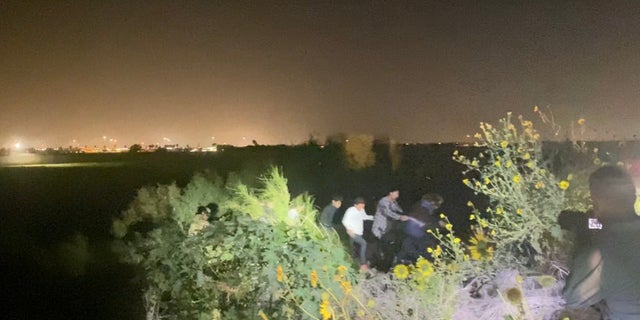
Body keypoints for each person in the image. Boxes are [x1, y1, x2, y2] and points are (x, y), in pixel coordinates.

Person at [562, 165, 640, 319]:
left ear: (597, 202)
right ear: (633, 196)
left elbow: (572, 298)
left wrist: (583, 238)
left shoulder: (601, 253)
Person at [396, 193, 444, 264]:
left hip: (411, 231)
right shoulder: (424, 207)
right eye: (438, 204)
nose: (438, 207)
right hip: (416, 231)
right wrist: (438, 224)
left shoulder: (421, 206)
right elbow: (422, 220)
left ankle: (403, 260)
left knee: (409, 247)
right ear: (433, 202)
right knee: (425, 248)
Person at [371, 188, 409, 268]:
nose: (397, 196)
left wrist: (405, 214)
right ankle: (377, 265)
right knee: (380, 247)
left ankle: (385, 265)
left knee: (387, 246)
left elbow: (399, 210)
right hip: (380, 227)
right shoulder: (383, 201)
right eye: (396, 193)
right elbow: (387, 212)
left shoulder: (393, 202)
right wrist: (399, 217)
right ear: (390, 193)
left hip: (388, 228)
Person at [342, 197, 374, 271]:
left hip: (359, 233)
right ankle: (363, 264)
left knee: (354, 249)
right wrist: (349, 228)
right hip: (353, 233)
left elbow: (364, 217)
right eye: (360, 206)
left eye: (363, 206)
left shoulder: (362, 210)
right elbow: (344, 221)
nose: (362, 208)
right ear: (355, 205)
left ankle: (353, 264)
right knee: (363, 244)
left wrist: (373, 217)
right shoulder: (350, 210)